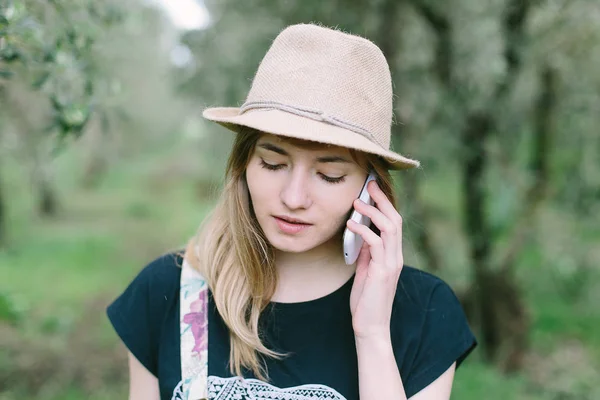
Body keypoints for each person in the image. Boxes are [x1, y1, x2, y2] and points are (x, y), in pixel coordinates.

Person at [107, 23, 477, 400]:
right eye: (272, 163)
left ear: (371, 188)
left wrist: (373, 335)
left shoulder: (424, 312)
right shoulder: (168, 294)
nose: (294, 197)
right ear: (243, 165)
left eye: (329, 175)